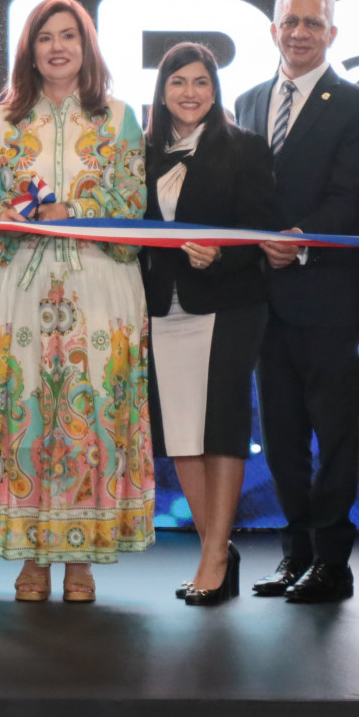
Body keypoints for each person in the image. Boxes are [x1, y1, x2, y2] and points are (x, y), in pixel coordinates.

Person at [0, 0, 154, 604]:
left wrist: (73, 211)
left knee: (90, 410)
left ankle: (81, 558)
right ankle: (32, 554)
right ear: (29, 50)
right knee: (25, 408)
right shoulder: (0, 120)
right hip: (20, 284)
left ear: (87, 47)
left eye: (68, 36)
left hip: (98, 285)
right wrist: (4, 216)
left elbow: (133, 206)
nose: (57, 48)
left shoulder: (120, 117)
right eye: (45, 37)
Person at [235, 0, 359, 603]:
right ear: (273, 29)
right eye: (290, 21)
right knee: (281, 438)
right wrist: (256, 240)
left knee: (335, 434)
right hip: (261, 300)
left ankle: (332, 561)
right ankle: (294, 553)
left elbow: (353, 198)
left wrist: (299, 242)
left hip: (326, 296)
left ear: (332, 33)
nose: (299, 32)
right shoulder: (247, 101)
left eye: (313, 22)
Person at [141, 43, 275, 606]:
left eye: (201, 81)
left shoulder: (245, 146)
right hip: (163, 309)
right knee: (181, 436)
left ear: (216, 90)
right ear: (162, 90)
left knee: (220, 430)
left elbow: (262, 229)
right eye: (178, 82)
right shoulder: (142, 152)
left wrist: (220, 254)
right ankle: (214, 548)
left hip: (229, 306)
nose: (190, 92)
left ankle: (214, 557)